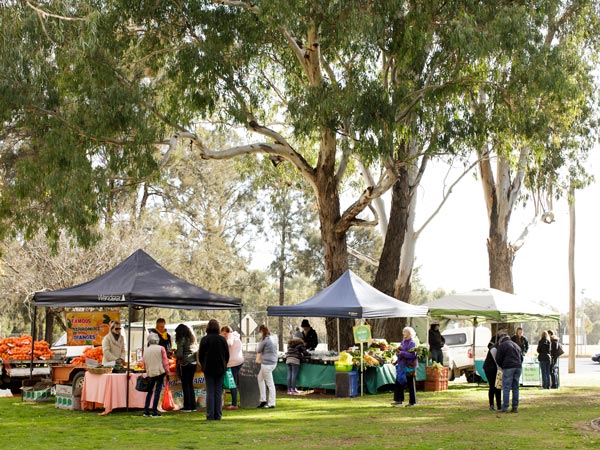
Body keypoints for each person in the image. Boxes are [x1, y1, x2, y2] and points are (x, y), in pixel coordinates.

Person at [198, 319, 229, 421]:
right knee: (218, 392)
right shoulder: (222, 339)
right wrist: (224, 364)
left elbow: (201, 355)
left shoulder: (204, 340)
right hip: (220, 368)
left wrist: (203, 364)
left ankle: (210, 415)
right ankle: (218, 415)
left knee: (210, 391)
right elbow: (227, 354)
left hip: (208, 368)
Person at [141, 333, 171, 417]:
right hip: (159, 372)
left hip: (150, 372)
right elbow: (165, 362)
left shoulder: (146, 350)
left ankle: (146, 410)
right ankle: (154, 411)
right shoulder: (161, 348)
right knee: (157, 391)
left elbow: (144, 363)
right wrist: (167, 371)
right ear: (157, 340)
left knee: (149, 391)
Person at [391, 326, 418, 407]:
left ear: (409, 334)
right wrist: (397, 352)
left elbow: (412, 355)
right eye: (403, 332)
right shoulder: (403, 342)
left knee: (410, 384)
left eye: (405, 332)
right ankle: (398, 400)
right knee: (399, 383)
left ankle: (412, 402)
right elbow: (399, 352)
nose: (403, 333)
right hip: (401, 366)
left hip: (409, 366)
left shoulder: (412, 343)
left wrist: (402, 353)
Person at [496, 334, 524, 413]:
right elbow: (521, 357)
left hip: (508, 367)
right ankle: (515, 407)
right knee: (515, 387)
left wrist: (502, 366)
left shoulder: (502, 346)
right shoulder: (516, 345)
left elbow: (498, 358)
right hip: (518, 367)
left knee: (506, 388)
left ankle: (505, 407)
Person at [175, 323, 198, 412]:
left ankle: (187, 406)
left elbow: (180, 354)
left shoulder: (181, 339)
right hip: (193, 363)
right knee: (190, 384)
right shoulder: (191, 339)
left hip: (185, 363)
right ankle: (193, 406)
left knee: (185, 384)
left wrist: (174, 354)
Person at [221, 325, 243, 410]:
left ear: (225, 333)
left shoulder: (230, 336)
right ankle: (234, 402)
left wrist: (223, 341)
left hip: (233, 363)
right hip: (238, 361)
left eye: (222, 334)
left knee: (232, 383)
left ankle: (234, 404)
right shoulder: (236, 337)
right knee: (233, 382)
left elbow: (229, 343)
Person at [256, 324, 278, 409]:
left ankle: (271, 403)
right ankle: (263, 400)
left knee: (270, 384)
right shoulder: (273, 336)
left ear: (261, 331)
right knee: (260, 378)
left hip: (266, 364)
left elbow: (258, 350)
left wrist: (260, 342)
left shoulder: (264, 340)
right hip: (273, 362)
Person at [482, 334, 502, 411]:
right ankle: (492, 404)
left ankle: (499, 405)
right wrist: (501, 370)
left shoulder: (499, 347)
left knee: (498, 386)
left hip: (495, 368)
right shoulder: (494, 349)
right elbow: (496, 362)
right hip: (489, 368)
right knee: (493, 386)